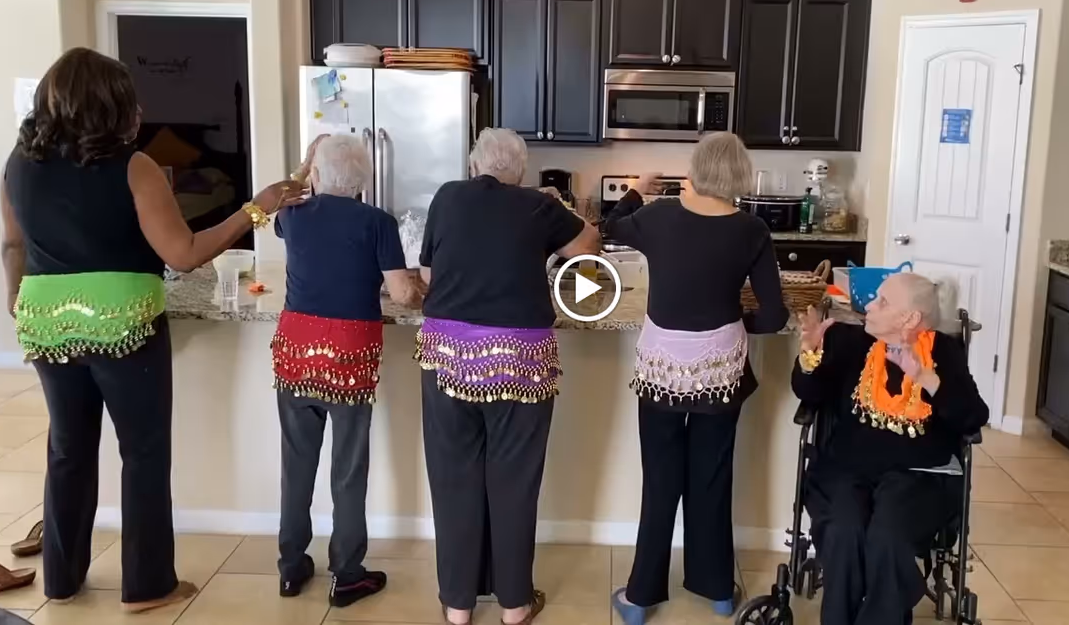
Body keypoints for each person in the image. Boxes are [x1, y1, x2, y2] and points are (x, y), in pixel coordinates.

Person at [0, 48, 306, 613]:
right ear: (109, 105)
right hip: (123, 324)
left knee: (68, 449)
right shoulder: (133, 166)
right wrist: (256, 209)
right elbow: (183, 253)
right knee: (141, 452)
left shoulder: (18, 163)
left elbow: (14, 245)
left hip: (47, 323)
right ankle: (146, 586)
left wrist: (17, 299)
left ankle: (61, 581)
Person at [414, 128, 600, 625]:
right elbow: (589, 248)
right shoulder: (538, 206)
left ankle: (457, 605)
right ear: (520, 169)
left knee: (453, 479)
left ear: (476, 165)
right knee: (514, 482)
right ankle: (515, 604)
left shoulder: (448, 197)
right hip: (521, 359)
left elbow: (428, 278)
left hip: (449, 356)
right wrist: (553, 227)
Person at [606, 133, 789, 625]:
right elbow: (773, 316)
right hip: (719, 369)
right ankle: (717, 591)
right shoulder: (751, 230)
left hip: (663, 367)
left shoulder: (659, 215)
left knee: (660, 478)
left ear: (696, 168)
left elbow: (610, 225)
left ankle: (641, 597)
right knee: (712, 475)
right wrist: (733, 326)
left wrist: (636, 189)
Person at [272, 134, 422, 607]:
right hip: (350, 356)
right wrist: (424, 289)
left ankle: (292, 568)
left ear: (315, 176)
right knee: (348, 468)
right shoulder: (377, 222)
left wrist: (303, 168)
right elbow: (401, 294)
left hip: (296, 350)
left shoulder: (291, 216)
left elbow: (284, 196)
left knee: (297, 463)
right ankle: (347, 573)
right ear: (363, 181)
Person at [792, 272, 989, 625]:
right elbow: (810, 394)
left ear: (911, 319)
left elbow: (973, 417)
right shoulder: (850, 341)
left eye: (882, 301)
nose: (868, 305)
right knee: (843, 529)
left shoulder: (943, 352)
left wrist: (927, 379)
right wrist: (810, 353)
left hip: (917, 475)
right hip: (846, 469)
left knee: (888, 537)